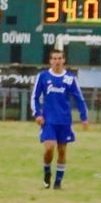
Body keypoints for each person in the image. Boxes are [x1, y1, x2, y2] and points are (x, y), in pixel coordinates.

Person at [31, 49, 88, 190]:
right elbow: (35, 97)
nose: (57, 61)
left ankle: (58, 182)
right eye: (54, 58)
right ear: (50, 61)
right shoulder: (43, 76)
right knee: (49, 147)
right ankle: (47, 172)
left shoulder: (70, 78)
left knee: (62, 151)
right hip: (49, 120)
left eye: (59, 58)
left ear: (63, 60)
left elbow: (79, 98)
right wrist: (37, 114)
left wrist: (84, 117)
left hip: (65, 121)